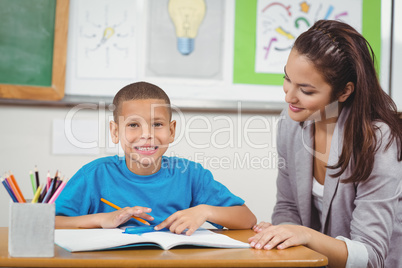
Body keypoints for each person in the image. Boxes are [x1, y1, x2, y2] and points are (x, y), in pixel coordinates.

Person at [248, 20, 402, 268]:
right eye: (287, 79)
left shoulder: (378, 140)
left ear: (344, 92)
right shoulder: (290, 123)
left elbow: (372, 256)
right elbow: (287, 206)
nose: (289, 96)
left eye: (306, 91)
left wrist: (304, 235)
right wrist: (282, 232)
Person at [55, 81, 256, 235]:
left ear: (171, 130)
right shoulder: (95, 175)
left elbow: (247, 219)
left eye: (157, 124)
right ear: (115, 131)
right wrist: (101, 219)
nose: (146, 135)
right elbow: (51, 222)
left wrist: (205, 211)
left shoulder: (191, 175)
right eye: (134, 125)